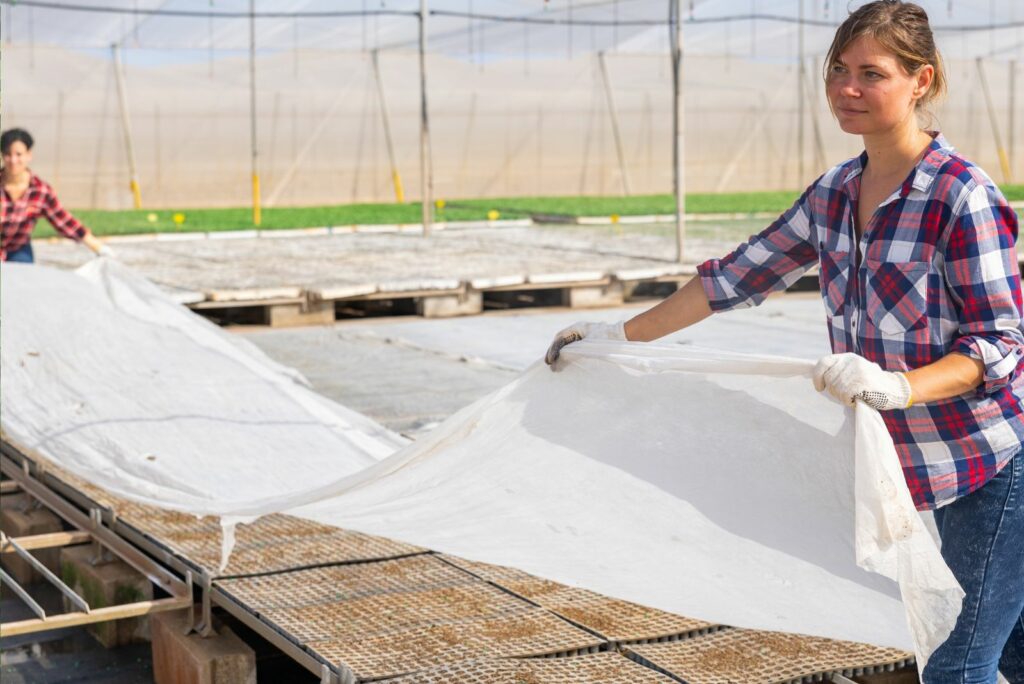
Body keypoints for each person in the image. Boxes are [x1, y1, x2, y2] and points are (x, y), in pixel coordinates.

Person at [546, 2, 1022, 681]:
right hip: (903, 468)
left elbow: (999, 344)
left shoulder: (960, 197)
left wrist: (900, 386)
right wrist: (614, 336)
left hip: (986, 467)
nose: (846, 89)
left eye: (871, 74)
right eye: (837, 70)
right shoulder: (834, 195)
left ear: (922, 80)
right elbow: (732, 279)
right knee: (1007, 644)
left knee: (955, 663)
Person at [1, 128, 114, 263]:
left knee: (23, 279)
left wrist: (98, 247)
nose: (13, 160)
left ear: (29, 155)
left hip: (18, 249)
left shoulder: (40, 191)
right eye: (8, 154)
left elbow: (64, 221)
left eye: (19, 154)